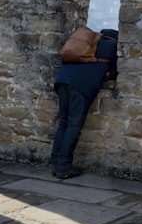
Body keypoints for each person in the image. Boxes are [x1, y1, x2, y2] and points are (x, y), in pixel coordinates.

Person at [50, 28, 119, 179]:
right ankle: (63, 166)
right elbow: (113, 72)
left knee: (64, 122)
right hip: (81, 85)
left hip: (62, 80)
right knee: (73, 125)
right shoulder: (113, 46)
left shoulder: (86, 43)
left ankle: (56, 161)